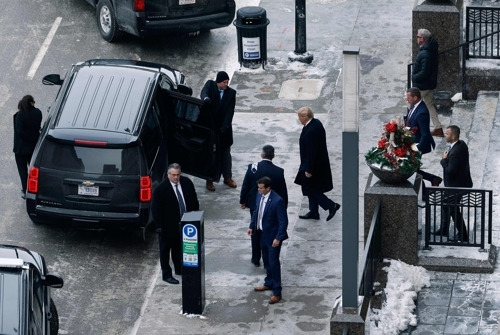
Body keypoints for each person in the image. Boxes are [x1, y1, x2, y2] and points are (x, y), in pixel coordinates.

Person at [240, 145, 288, 267]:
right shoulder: (278, 171)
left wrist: (242, 201)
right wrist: (283, 208)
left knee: (255, 230)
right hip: (272, 208)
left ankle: (256, 258)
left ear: (262, 155)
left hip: (254, 204)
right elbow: (283, 192)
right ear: (273, 156)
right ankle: (268, 261)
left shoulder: (252, 168)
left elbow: (245, 185)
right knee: (268, 230)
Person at [151, 163, 199, 284]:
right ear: (168, 175)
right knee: (165, 250)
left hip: (186, 223)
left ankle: (179, 269)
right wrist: (159, 226)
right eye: (173, 175)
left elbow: (194, 200)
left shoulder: (187, 183)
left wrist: (195, 217)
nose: (176, 178)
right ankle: (166, 274)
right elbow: (156, 210)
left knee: (179, 248)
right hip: (167, 226)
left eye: (178, 175)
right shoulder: (160, 189)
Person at [294, 106, 340, 221]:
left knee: (310, 189)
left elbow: (311, 152)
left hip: (312, 166)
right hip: (316, 164)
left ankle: (331, 205)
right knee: (312, 188)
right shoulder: (315, 123)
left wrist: (309, 170)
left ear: (305, 117)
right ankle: (314, 211)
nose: (298, 119)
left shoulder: (311, 131)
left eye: (299, 117)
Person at [248, 177, 288, 304]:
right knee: (266, 261)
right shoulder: (259, 195)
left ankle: (277, 291)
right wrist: (251, 225)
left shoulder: (277, 201)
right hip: (261, 234)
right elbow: (256, 211)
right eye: (258, 188)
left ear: (268, 188)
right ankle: (269, 282)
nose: (258, 190)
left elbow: (283, 221)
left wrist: (278, 238)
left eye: (261, 188)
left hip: (273, 237)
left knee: (274, 262)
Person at [200, 71, 237, 192]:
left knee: (226, 154)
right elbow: (204, 92)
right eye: (224, 82)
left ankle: (227, 177)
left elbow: (229, 112)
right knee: (211, 155)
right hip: (211, 128)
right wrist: (206, 99)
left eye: (227, 82)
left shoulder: (231, 93)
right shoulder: (210, 85)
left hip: (223, 130)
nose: (226, 84)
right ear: (218, 82)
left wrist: (224, 128)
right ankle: (209, 179)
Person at [435, 126, 472, 242]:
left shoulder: (455, 152)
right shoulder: (461, 144)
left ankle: (463, 235)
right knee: (445, 204)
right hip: (458, 184)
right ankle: (444, 229)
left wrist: (444, 160)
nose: (445, 135)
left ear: (454, 136)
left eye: (447, 134)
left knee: (453, 209)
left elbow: (450, 171)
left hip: (456, 186)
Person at [404, 87, 442, 190]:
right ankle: (433, 179)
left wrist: (418, 149)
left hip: (417, 145)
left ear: (415, 97)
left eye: (409, 97)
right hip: (411, 142)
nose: (407, 99)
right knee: (413, 169)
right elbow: (409, 118)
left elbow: (425, 134)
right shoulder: (413, 105)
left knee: (413, 169)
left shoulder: (422, 112)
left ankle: (426, 190)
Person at [412, 28, 444, 137]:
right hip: (429, 84)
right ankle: (438, 127)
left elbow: (424, 72)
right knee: (429, 105)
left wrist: (414, 77)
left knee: (411, 103)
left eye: (418, 37)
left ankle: (412, 129)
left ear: (422, 39)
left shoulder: (426, 53)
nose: (416, 38)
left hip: (422, 85)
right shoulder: (430, 48)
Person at [13, 95, 42, 199]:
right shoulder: (38, 113)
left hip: (20, 149)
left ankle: (25, 190)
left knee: (22, 170)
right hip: (33, 147)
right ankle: (37, 189)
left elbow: (19, 131)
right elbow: (38, 127)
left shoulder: (19, 115)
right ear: (32, 102)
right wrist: (33, 138)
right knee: (34, 170)